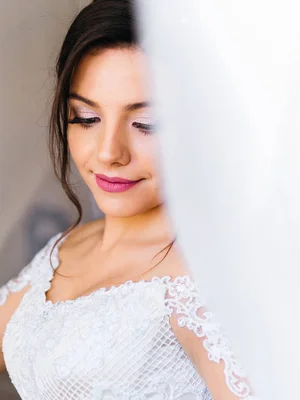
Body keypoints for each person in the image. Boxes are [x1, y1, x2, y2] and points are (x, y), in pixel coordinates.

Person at [0, 1, 252, 399]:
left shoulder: (204, 280)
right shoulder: (66, 248)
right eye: (86, 118)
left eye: (146, 124)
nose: (109, 152)